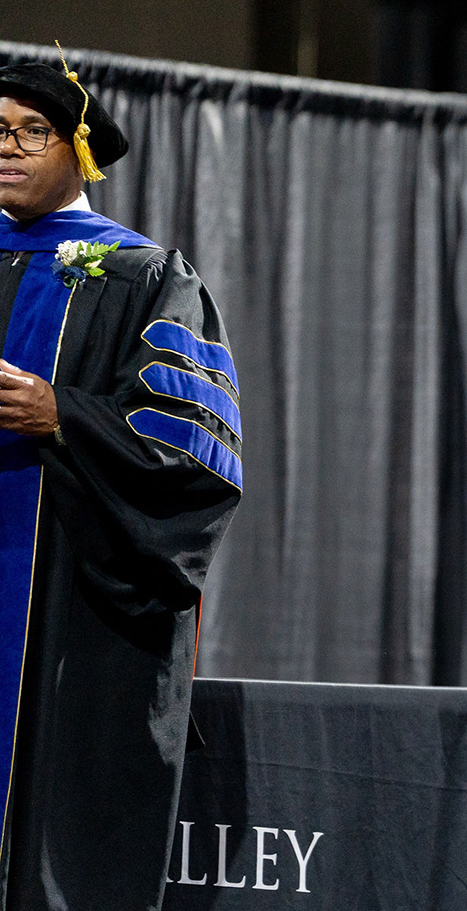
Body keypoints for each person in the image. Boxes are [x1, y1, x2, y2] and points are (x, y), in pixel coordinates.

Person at [0, 56, 241, 909]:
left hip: (75, 610)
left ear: (81, 150)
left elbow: (195, 458)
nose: (8, 147)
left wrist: (62, 414)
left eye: (32, 130)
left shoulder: (143, 276)